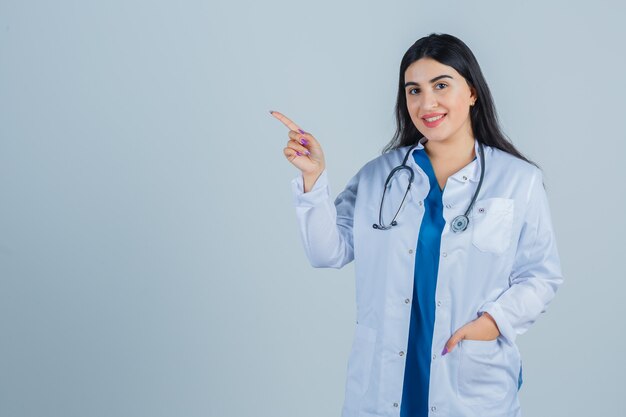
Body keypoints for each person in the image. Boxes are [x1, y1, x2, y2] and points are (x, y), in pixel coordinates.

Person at [270, 33, 563, 417]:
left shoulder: (517, 180)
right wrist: (314, 179)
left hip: (468, 374)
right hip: (385, 379)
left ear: (472, 92)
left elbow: (541, 275)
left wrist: (494, 322)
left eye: (441, 85)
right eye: (413, 90)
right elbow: (329, 252)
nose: (426, 103)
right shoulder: (380, 176)